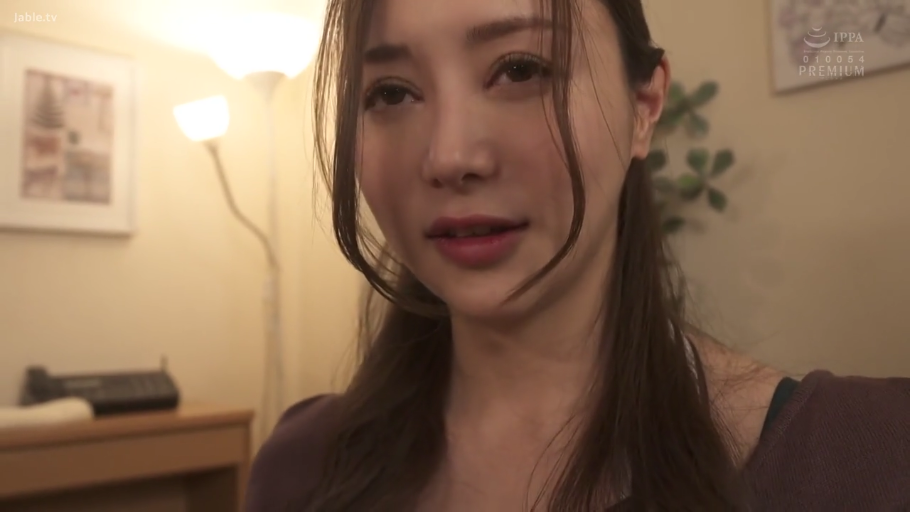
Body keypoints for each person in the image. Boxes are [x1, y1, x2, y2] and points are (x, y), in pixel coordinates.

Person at [245, 0, 910, 509]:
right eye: (391, 92)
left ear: (643, 106)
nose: (449, 156)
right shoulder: (299, 468)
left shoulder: (862, 460)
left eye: (520, 69)